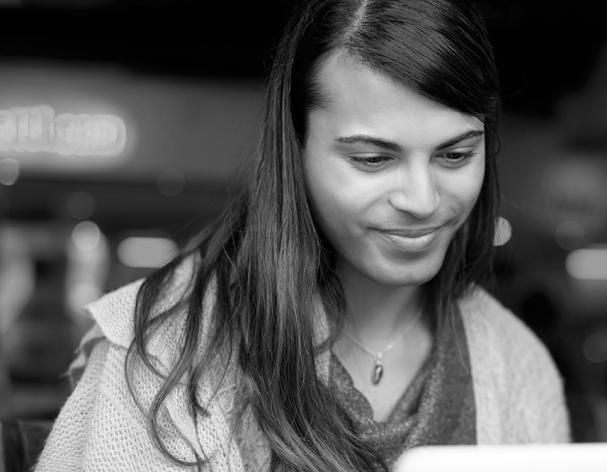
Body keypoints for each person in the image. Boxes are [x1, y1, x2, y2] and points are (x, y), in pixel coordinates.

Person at [35, 0, 569, 470]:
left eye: (455, 155)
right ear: (296, 148)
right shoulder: (166, 352)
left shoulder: (517, 363)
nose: (422, 200)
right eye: (373, 159)